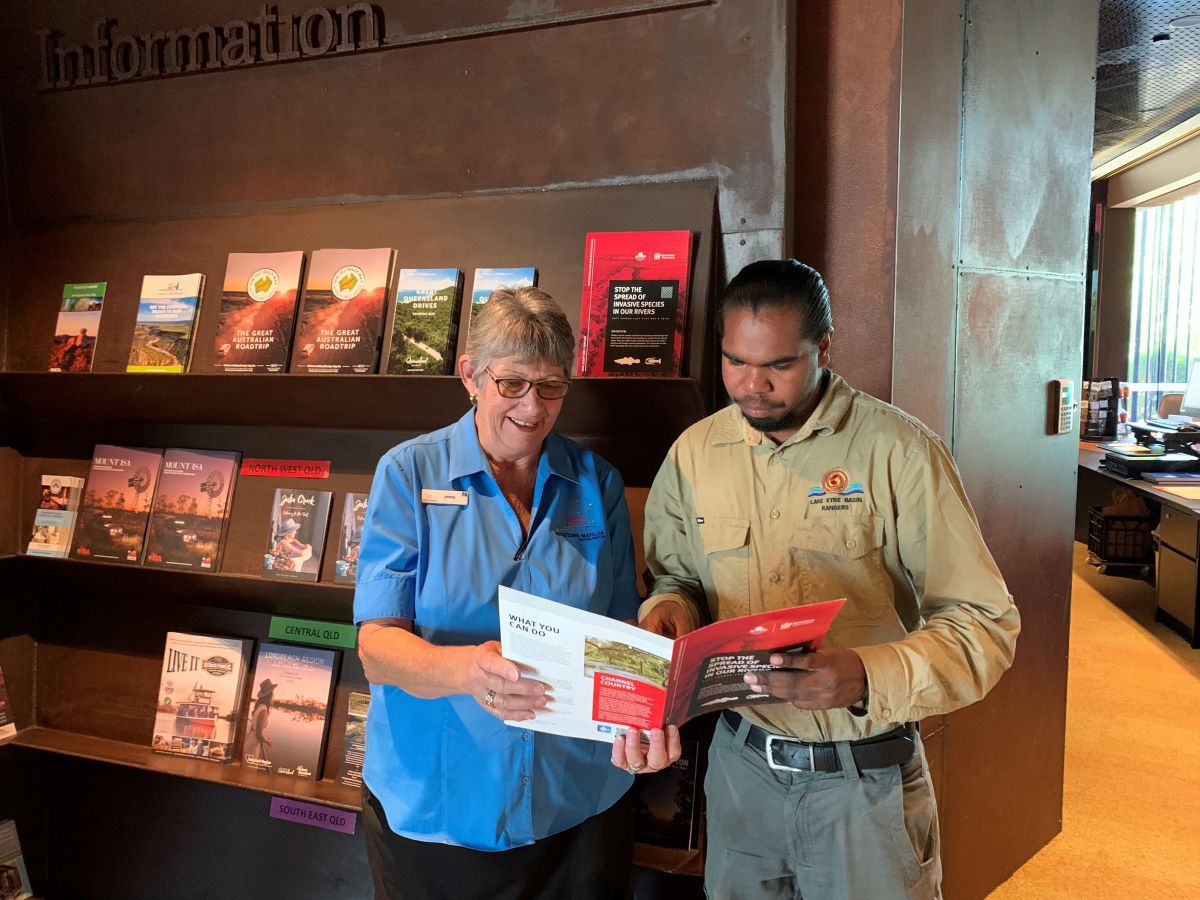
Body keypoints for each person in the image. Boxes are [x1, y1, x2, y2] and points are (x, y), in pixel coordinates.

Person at [640, 260, 1020, 900]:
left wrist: (869, 675)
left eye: (779, 365)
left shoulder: (899, 451)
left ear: (825, 346)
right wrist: (669, 608)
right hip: (740, 774)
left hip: (862, 785)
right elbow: (676, 577)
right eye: (735, 361)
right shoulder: (696, 453)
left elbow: (986, 627)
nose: (752, 386)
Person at [355, 286, 681, 900]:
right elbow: (376, 648)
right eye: (512, 384)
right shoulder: (407, 474)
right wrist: (465, 669)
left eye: (552, 386)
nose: (533, 407)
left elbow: (617, 637)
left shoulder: (596, 482)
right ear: (469, 376)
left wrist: (643, 721)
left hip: (577, 804)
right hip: (439, 808)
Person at [247, 679, 276, 765]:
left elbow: (257, 729)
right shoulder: (264, 711)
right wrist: (268, 741)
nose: (273, 697)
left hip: (250, 739)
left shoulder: (259, 707)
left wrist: (264, 737)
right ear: (270, 695)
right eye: (273, 694)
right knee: (250, 770)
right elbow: (259, 735)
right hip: (253, 743)